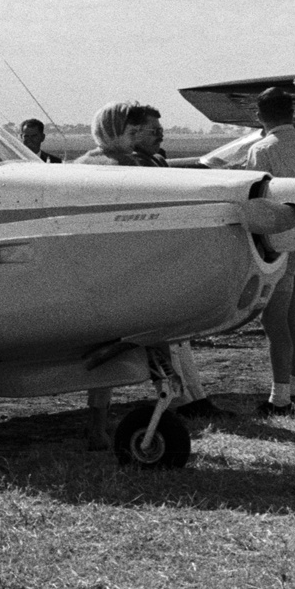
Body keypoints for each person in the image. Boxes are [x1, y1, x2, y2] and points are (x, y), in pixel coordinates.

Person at [75, 101, 228, 448]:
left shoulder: (93, 163)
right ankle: (163, 411)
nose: (137, 138)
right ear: (114, 130)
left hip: (116, 274)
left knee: (115, 357)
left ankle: (106, 425)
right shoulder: (116, 168)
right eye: (132, 132)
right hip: (121, 276)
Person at [242, 88, 295, 418]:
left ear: (260, 116)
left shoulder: (260, 150)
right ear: (293, 113)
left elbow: (254, 198)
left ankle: (280, 398)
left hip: (280, 245)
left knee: (275, 323)